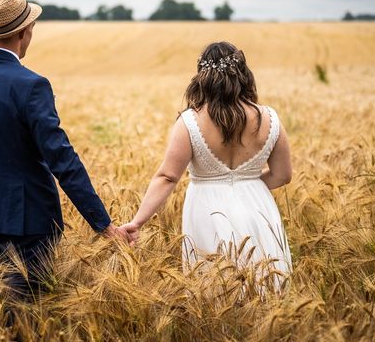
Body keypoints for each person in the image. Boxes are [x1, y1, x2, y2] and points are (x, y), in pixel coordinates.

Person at [0, 0, 132, 302]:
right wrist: (103, 225)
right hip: (30, 225)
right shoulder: (31, 85)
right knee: (27, 318)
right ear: (26, 30)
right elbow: (63, 161)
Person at [121, 41, 292, 285]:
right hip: (258, 205)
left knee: (214, 285)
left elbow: (168, 177)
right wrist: (247, 185)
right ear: (244, 74)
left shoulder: (190, 122)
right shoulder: (270, 118)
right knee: (264, 281)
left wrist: (138, 221)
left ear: (203, 76)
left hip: (206, 209)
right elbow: (283, 175)